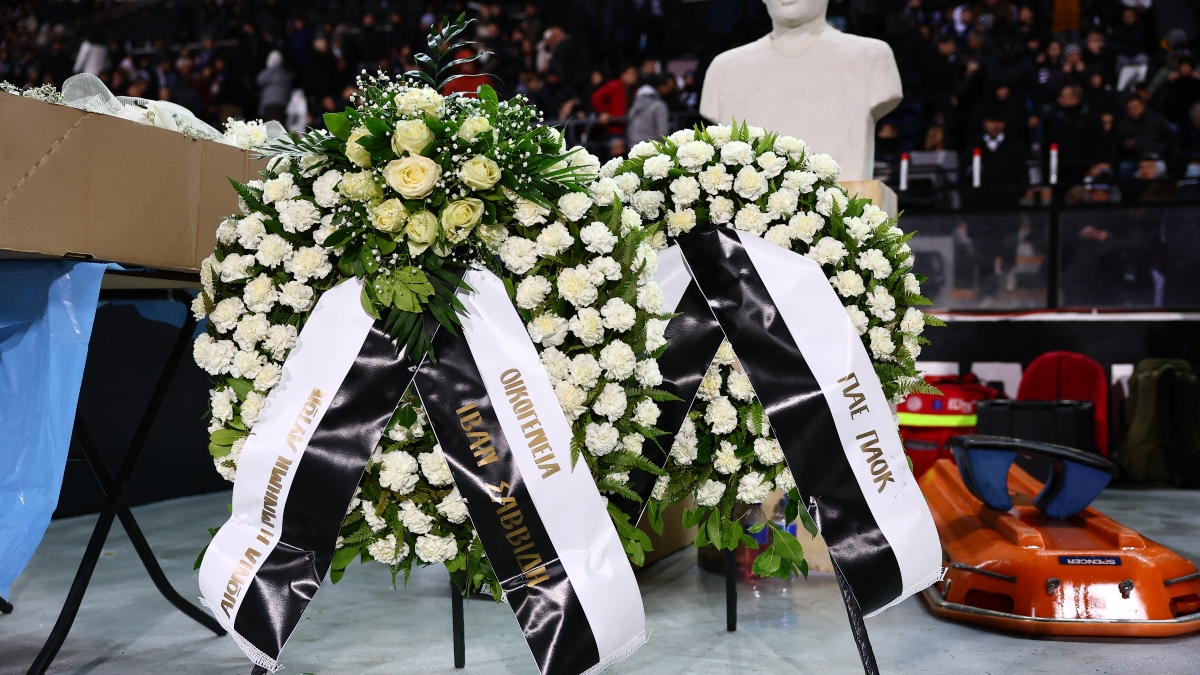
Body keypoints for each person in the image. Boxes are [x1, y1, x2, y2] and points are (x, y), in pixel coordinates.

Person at [963, 108, 1028, 207]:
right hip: (979, 205)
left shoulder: (1014, 146)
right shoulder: (974, 146)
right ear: (984, 123)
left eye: (999, 121)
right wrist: (971, 197)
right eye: (992, 121)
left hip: (1009, 204)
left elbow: (1023, 173)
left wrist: (1016, 194)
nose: (996, 125)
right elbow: (963, 175)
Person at [626, 73, 670, 147]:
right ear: (661, 86)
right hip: (653, 149)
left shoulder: (635, 103)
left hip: (634, 147)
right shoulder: (659, 106)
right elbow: (663, 132)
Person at [256, 50, 291, 122]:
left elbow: (259, 80)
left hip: (270, 104)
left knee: (270, 125)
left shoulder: (269, 72)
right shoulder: (285, 74)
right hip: (282, 105)